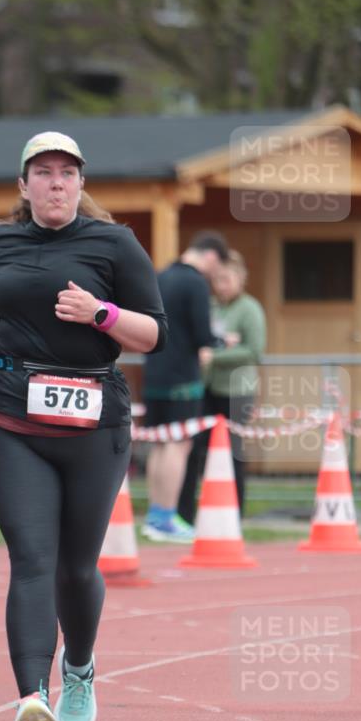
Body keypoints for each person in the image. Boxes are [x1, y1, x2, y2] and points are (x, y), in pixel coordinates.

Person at [0, 131, 167, 721]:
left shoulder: (114, 243)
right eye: (43, 173)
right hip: (15, 418)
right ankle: (31, 700)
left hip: (94, 424)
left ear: (81, 183)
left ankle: (77, 669)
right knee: (31, 560)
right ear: (24, 185)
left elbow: (154, 334)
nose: (55, 183)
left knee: (76, 568)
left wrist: (100, 314)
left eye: (66, 174)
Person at [141, 231, 229, 543]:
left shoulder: (160, 276)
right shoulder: (194, 283)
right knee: (179, 444)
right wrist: (223, 341)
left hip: (153, 374)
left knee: (159, 443)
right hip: (182, 377)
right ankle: (166, 517)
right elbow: (202, 335)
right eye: (217, 269)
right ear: (211, 257)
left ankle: (155, 514)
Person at [178, 250, 266, 519]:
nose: (221, 286)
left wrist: (216, 355)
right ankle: (187, 513)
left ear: (240, 278)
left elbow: (253, 351)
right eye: (217, 280)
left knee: (233, 454)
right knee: (195, 449)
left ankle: (234, 513)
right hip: (207, 388)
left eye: (227, 280)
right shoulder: (211, 306)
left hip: (237, 391)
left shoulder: (250, 309)